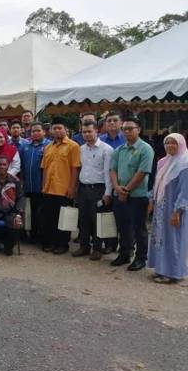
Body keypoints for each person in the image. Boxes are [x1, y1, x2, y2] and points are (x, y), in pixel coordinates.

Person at [109, 117, 155, 271]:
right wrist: (116, 187)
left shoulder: (145, 148)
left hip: (137, 196)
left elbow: (142, 172)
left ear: (139, 129)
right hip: (119, 194)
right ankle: (124, 253)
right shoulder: (119, 150)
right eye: (125, 129)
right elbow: (113, 169)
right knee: (122, 226)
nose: (127, 131)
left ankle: (141, 258)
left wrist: (126, 190)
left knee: (139, 228)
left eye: (130, 128)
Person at [147, 133, 188, 283]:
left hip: (175, 209)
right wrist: (151, 199)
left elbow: (185, 190)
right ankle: (161, 269)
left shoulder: (185, 163)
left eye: (174, 143)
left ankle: (173, 273)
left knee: (174, 240)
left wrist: (177, 211)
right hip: (161, 207)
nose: (170, 146)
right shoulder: (163, 162)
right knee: (161, 238)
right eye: (167, 143)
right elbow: (157, 184)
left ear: (181, 144)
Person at [40, 117, 81, 254]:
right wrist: (43, 186)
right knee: (49, 218)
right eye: (55, 128)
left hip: (64, 189)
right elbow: (45, 168)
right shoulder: (48, 147)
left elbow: (75, 168)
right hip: (49, 189)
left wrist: (72, 188)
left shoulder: (73, 146)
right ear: (51, 130)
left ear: (66, 130)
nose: (57, 130)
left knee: (64, 218)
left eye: (60, 128)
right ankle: (50, 242)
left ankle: (63, 244)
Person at [74, 121, 113, 260]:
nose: (87, 134)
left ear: (97, 131)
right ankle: (84, 246)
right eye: (84, 132)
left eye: (89, 131)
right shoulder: (81, 149)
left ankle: (97, 248)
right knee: (83, 219)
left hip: (99, 189)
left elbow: (108, 173)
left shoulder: (106, 149)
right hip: (84, 188)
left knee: (97, 219)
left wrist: (107, 193)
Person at [19, 122, 50, 244]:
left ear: (44, 132)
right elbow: (21, 165)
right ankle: (32, 235)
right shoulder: (25, 146)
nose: (35, 133)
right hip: (28, 187)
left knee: (42, 213)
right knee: (30, 213)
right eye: (33, 131)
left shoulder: (49, 146)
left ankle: (43, 237)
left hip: (42, 187)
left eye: (38, 130)